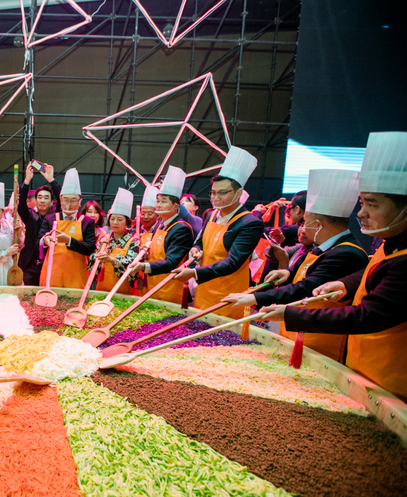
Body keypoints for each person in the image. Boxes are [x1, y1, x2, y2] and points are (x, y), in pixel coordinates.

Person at [258, 132, 407, 399]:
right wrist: (346, 283)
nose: (361, 214)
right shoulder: (388, 243)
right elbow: (371, 269)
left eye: (371, 204)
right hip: (362, 364)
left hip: (393, 378)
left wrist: (288, 313)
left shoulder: (365, 254)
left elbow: (368, 315)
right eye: (361, 203)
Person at [224, 169, 369, 361]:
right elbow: (305, 276)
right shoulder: (321, 246)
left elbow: (307, 287)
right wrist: (288, 272)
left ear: (318, 225)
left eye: (305, 222)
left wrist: (256, 297)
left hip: (320, 342)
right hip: (299, 332)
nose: (301, 227)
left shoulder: (346, 253)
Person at [174, 146, 264, 319]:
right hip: (204, 290)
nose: (215, 197)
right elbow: (200, 241)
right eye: (213, 192)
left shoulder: (250, 223)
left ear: (238, 193)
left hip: (228, 294)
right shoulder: (213, 215)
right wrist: (196, 249)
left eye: (222, 192)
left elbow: (233, 262)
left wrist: (194, 273)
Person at [130, 167, 194, 303]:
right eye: (158, 201)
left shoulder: (181, 228)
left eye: (163, 201)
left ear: (176, 206)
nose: (158, 205)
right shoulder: (160, 225)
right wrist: (146, 254)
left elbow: (172, 262)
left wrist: (144, 266)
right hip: (152, 285)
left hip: (169, 288)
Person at [38, 169, 97, 289]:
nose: (68, 205)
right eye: (65, 200)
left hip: (76, 276)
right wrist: (44, 240)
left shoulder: (87, 222)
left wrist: (69, 241)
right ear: (60, 200)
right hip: (52, 274)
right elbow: (37, 241)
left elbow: (90, 248)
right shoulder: (50, 219)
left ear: (80, 201)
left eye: (73, 200)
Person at [17, 162, 61, 285]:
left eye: (46, 198)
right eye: (40, 197)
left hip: (49, 263)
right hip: (29, 265)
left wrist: (51, 180)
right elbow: (21, 206)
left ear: (52, 202)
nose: (42, 200)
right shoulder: (30, 215)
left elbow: (62, 200)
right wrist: (26, 181)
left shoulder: (56, 216)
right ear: (35, 201)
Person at [89, 188, 139, 294]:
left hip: (123, 292)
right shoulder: (104, 239)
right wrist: (98, 253)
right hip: (101, 290)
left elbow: (132, 270)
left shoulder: (133, 242)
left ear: (127, 222)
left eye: (120, 219)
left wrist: (111, 260)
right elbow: (91, 266)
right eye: (112, 219)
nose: (115, 222)